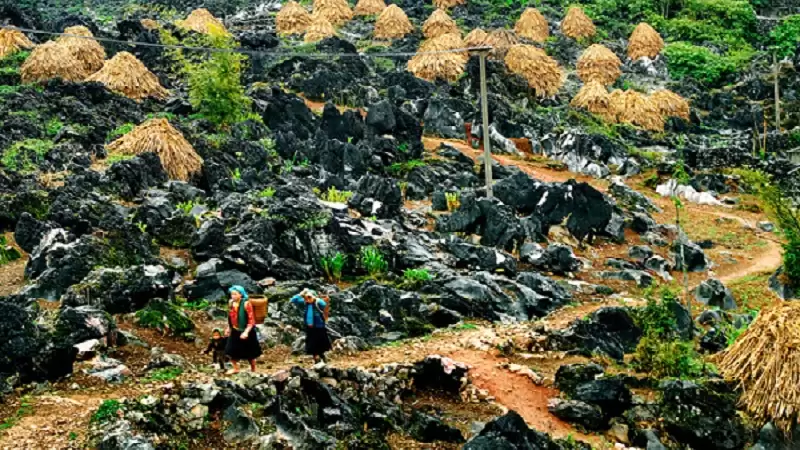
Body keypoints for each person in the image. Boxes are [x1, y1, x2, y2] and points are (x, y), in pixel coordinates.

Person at [225, 285, 262, 374]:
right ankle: (236, 368)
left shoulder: (246, 304)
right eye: (232, 294)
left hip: (247, 331)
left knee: (250, 353)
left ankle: (253, 369)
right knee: (230, 350)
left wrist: (246, 332)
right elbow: (231, 317)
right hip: (235, 330)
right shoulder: (231, 303)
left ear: (240, 295)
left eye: (235, 294)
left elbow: (251, 320)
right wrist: (228, 328)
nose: (233, 296)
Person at [290, 289, 331, 364]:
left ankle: (321, 355)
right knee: (312, 343)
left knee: (320, 342)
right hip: (310, 327)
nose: (308, 299)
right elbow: (293, 300)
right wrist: (301, 294)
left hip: (319, 326)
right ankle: (316, 359)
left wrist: (316, 298)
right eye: (306, 298)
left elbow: (326, 305)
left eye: (309, 297)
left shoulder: (318, 302)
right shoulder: (305, 303)